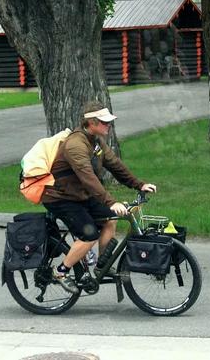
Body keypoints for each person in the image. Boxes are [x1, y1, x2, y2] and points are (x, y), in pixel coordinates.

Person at [42, 100, 156, 293]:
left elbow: (115, 165)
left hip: (80, 195)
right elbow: (88, 178)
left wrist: (139, 184)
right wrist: (111, 202)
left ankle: (102, 265)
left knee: (111, 219)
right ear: (92, 123)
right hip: (61, 198)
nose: (108, 125)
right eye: (104, 122)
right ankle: (60, 271)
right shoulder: (75, 145)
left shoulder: (96, 141)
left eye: (109, 122)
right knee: (89, 235)